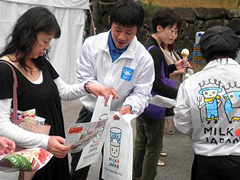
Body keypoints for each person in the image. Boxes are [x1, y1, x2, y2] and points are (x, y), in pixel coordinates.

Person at [0, 7, 118, 180]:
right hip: (31, 156)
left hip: (54, 148)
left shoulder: (40, 62)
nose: (47, 47)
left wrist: (88, 86)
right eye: (45, 41)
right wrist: (45, 142)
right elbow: (2, 124)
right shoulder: (5, 69)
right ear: (28, 35)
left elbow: (63, 91)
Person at [70, 0, 155, 179]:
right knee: (78, 162)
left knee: (112, 169)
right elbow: (84, 77)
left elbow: (142, 93)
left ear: (138, 29)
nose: (122, 37)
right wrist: (98, 89)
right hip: (89, 113)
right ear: (110, 20)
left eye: (129, 32)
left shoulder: (144, 58)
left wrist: (130, 107)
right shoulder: (91, 44)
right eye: (118, 30)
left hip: (118, 118)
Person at [173, 26, 240, 180]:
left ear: (203, 52)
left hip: (206, 161)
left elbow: (182, 125)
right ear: (235, 50)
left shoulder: (192, 83)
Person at [132, 8, 190, 180]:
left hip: (143, 102)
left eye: (176, 32)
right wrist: (180, 93)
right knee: (153, 147)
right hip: (154, 104)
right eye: (171, 31)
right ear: (159, 28)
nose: (174, 35)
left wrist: (174, 66)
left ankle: (136, 176)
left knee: (141, 144)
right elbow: (156, 82)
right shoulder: (155, 50)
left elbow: (157, 72)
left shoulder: (148, 45)